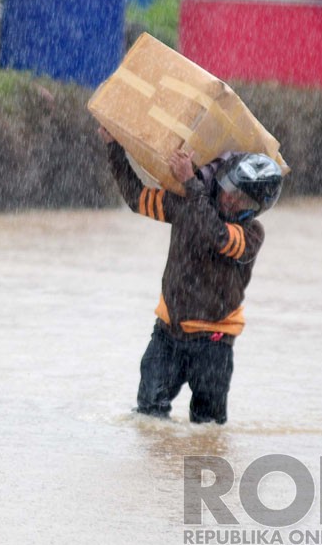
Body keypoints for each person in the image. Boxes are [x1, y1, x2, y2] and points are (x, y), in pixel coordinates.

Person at [97, 125, 283, 424]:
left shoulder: (251, 235)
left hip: (213, 345)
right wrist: (113, 148)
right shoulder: (187, 204)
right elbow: (136, 198)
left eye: (244, 199)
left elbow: (218, 237)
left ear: (257, 208)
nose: (231, 200)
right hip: (167, 335)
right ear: (222, 179)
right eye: (231, 189)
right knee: (148, 418)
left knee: (207, 430)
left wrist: (189, 183)